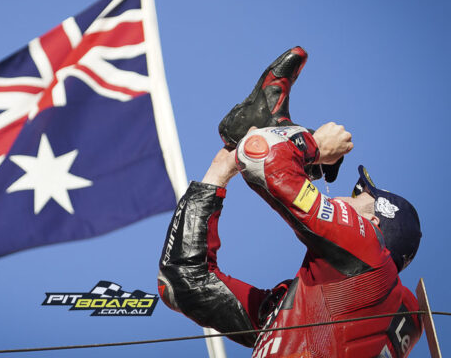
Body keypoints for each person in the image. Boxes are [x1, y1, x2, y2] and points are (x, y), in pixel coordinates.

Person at [158, 48, 422, 358]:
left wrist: (316, 147)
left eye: (355, 198)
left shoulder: (369, 254)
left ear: (374, 224)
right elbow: (182, 283)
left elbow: (260, 155)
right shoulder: (315, 308)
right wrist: (219, 169)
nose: (337, 198)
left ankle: (271, 119)